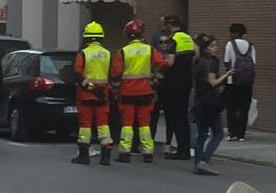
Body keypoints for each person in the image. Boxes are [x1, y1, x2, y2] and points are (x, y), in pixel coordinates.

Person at [110, 18, 166, 161]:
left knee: (127, 123)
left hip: (127, 92)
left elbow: (115, 74)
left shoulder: (123, 52)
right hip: (145, 92)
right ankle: (148, 153)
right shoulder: (149, 50)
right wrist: (156, 78)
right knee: (144, 123)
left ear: (128, 34)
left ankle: (124, 153)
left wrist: (115, 88)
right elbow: (163, 65)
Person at [71, 21, 114, 165]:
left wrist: (89, 86)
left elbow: (77, 74)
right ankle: (106, 156)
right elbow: (113, 74)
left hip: (86, 96)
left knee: (85, 126)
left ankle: (83, 156)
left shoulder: (83, 53)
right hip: (103, 95)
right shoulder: (107, 54)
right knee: (103, 125)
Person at [158, 17, 197, 160]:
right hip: (186, 80)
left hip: (173, 82)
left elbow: (170, 61)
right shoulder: (187, 38)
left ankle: (181, 150)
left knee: (174, 116)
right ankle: (185, 147)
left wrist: (159, 71)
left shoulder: (172, 40)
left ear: (169, 25)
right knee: (183, 115)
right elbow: (196, 55)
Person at [191, 35, 229, 177]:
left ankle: (197, 163)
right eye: (212, 46)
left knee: (202, 134)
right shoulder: (212, 62)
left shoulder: (197, 61)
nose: (215, 48)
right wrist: (227, 75)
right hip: (210, 101)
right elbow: (213, 82)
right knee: (218, 133)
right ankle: (204, 161)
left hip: (199, 100)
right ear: (206, 48)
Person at [223, 23, 257, 141]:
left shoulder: (230, 44)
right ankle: (241, 134)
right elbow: (253, 63)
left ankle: (232, 133)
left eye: (231, 32)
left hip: (232, 81)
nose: (229, 34)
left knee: (232, 108)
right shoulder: (251, 46)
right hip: (247, 82)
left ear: (235, 33)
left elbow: (227, 62)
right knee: (244, 108)